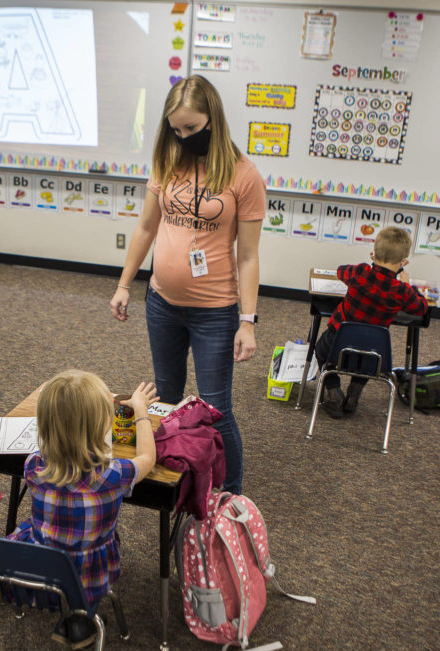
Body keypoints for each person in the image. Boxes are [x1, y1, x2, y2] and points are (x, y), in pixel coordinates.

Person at [109, 75, 265, 496]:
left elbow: (248, 256)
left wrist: (246, 322)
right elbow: (145, 227)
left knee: (217, 408)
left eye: (191, 129)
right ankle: (170, 477)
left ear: (212, 119)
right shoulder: (167, 161)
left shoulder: (244, 175)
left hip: (215, 310)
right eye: (175, 129)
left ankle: (229, 494)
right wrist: (125, 284)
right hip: (161, 302)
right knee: (167, 397)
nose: (182, 136)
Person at [9, 371, 159, 649]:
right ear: (101, 427)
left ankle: (69, 613)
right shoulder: (112, 475)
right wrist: (140, 411)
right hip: (91, 575)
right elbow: (148, 458)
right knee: (87, 557)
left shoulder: (33, 466)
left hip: (37, 566)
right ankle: (82, 614)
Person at [314, 226, 429, 419]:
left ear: (373, 254)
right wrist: (407, 284)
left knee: (320, 350)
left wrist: (369, 264)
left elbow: (341, 271)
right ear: (403, 262)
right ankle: (354, 394)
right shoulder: (401, 290)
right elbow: (421, 308)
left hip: (337, 344)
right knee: (365, 360)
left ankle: (333, 392)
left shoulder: (360, 272)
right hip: (373, 354)